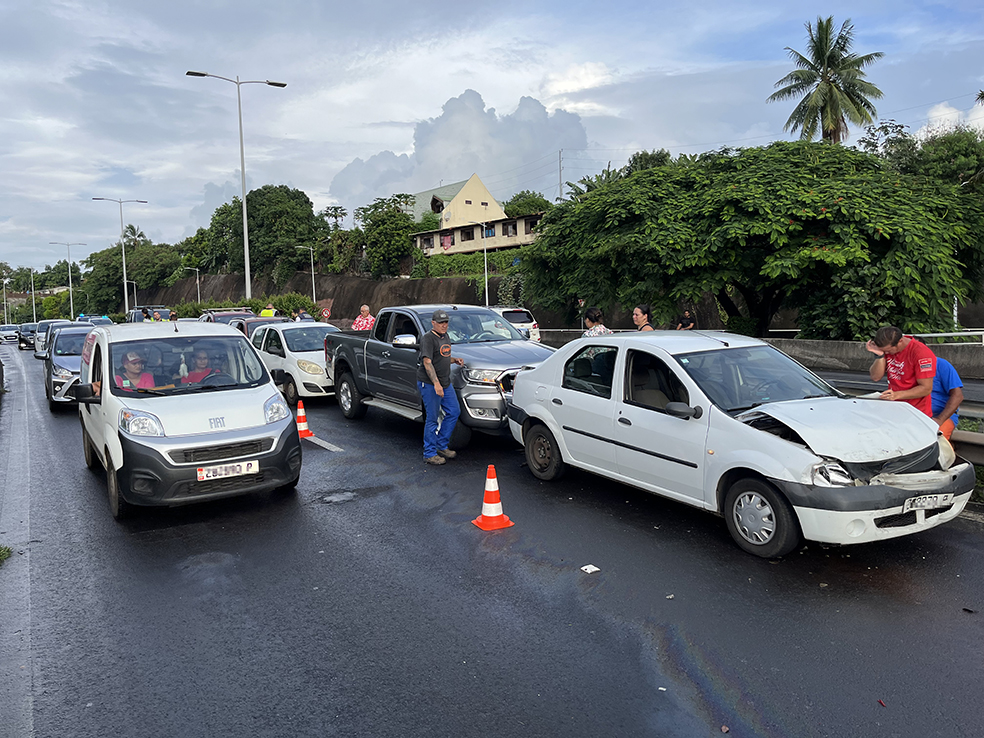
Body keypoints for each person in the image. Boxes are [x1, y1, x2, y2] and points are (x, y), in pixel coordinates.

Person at [416, 309, 464, 466]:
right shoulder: (428, 339)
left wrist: (454, 360)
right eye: (441, 323)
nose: (444, 325)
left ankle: (441, 445)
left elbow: (442, 357)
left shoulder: (446, 337)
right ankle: (429, 453)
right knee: (432, 417)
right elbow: (427, 362)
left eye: (446, 323)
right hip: (430, 383)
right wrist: (436, 384)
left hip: (445, 382)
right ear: (433, 323)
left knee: (454, 411)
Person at [866, 325, 936, 417]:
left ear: (900, 341)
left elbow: (926, 388)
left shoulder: (921, 353)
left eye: (888, 351)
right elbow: (875, 377)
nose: (887, 354)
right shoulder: (887, 348)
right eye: (884, 351)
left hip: (916, 411)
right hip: (894, 408)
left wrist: (896, 395)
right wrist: (880, 356)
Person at [931, 357, 964, 440]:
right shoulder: (899, 367)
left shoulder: (940, 364)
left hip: (941, 416)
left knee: (936, 439)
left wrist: (939, 420)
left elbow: (957, 396)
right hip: (915, 416)